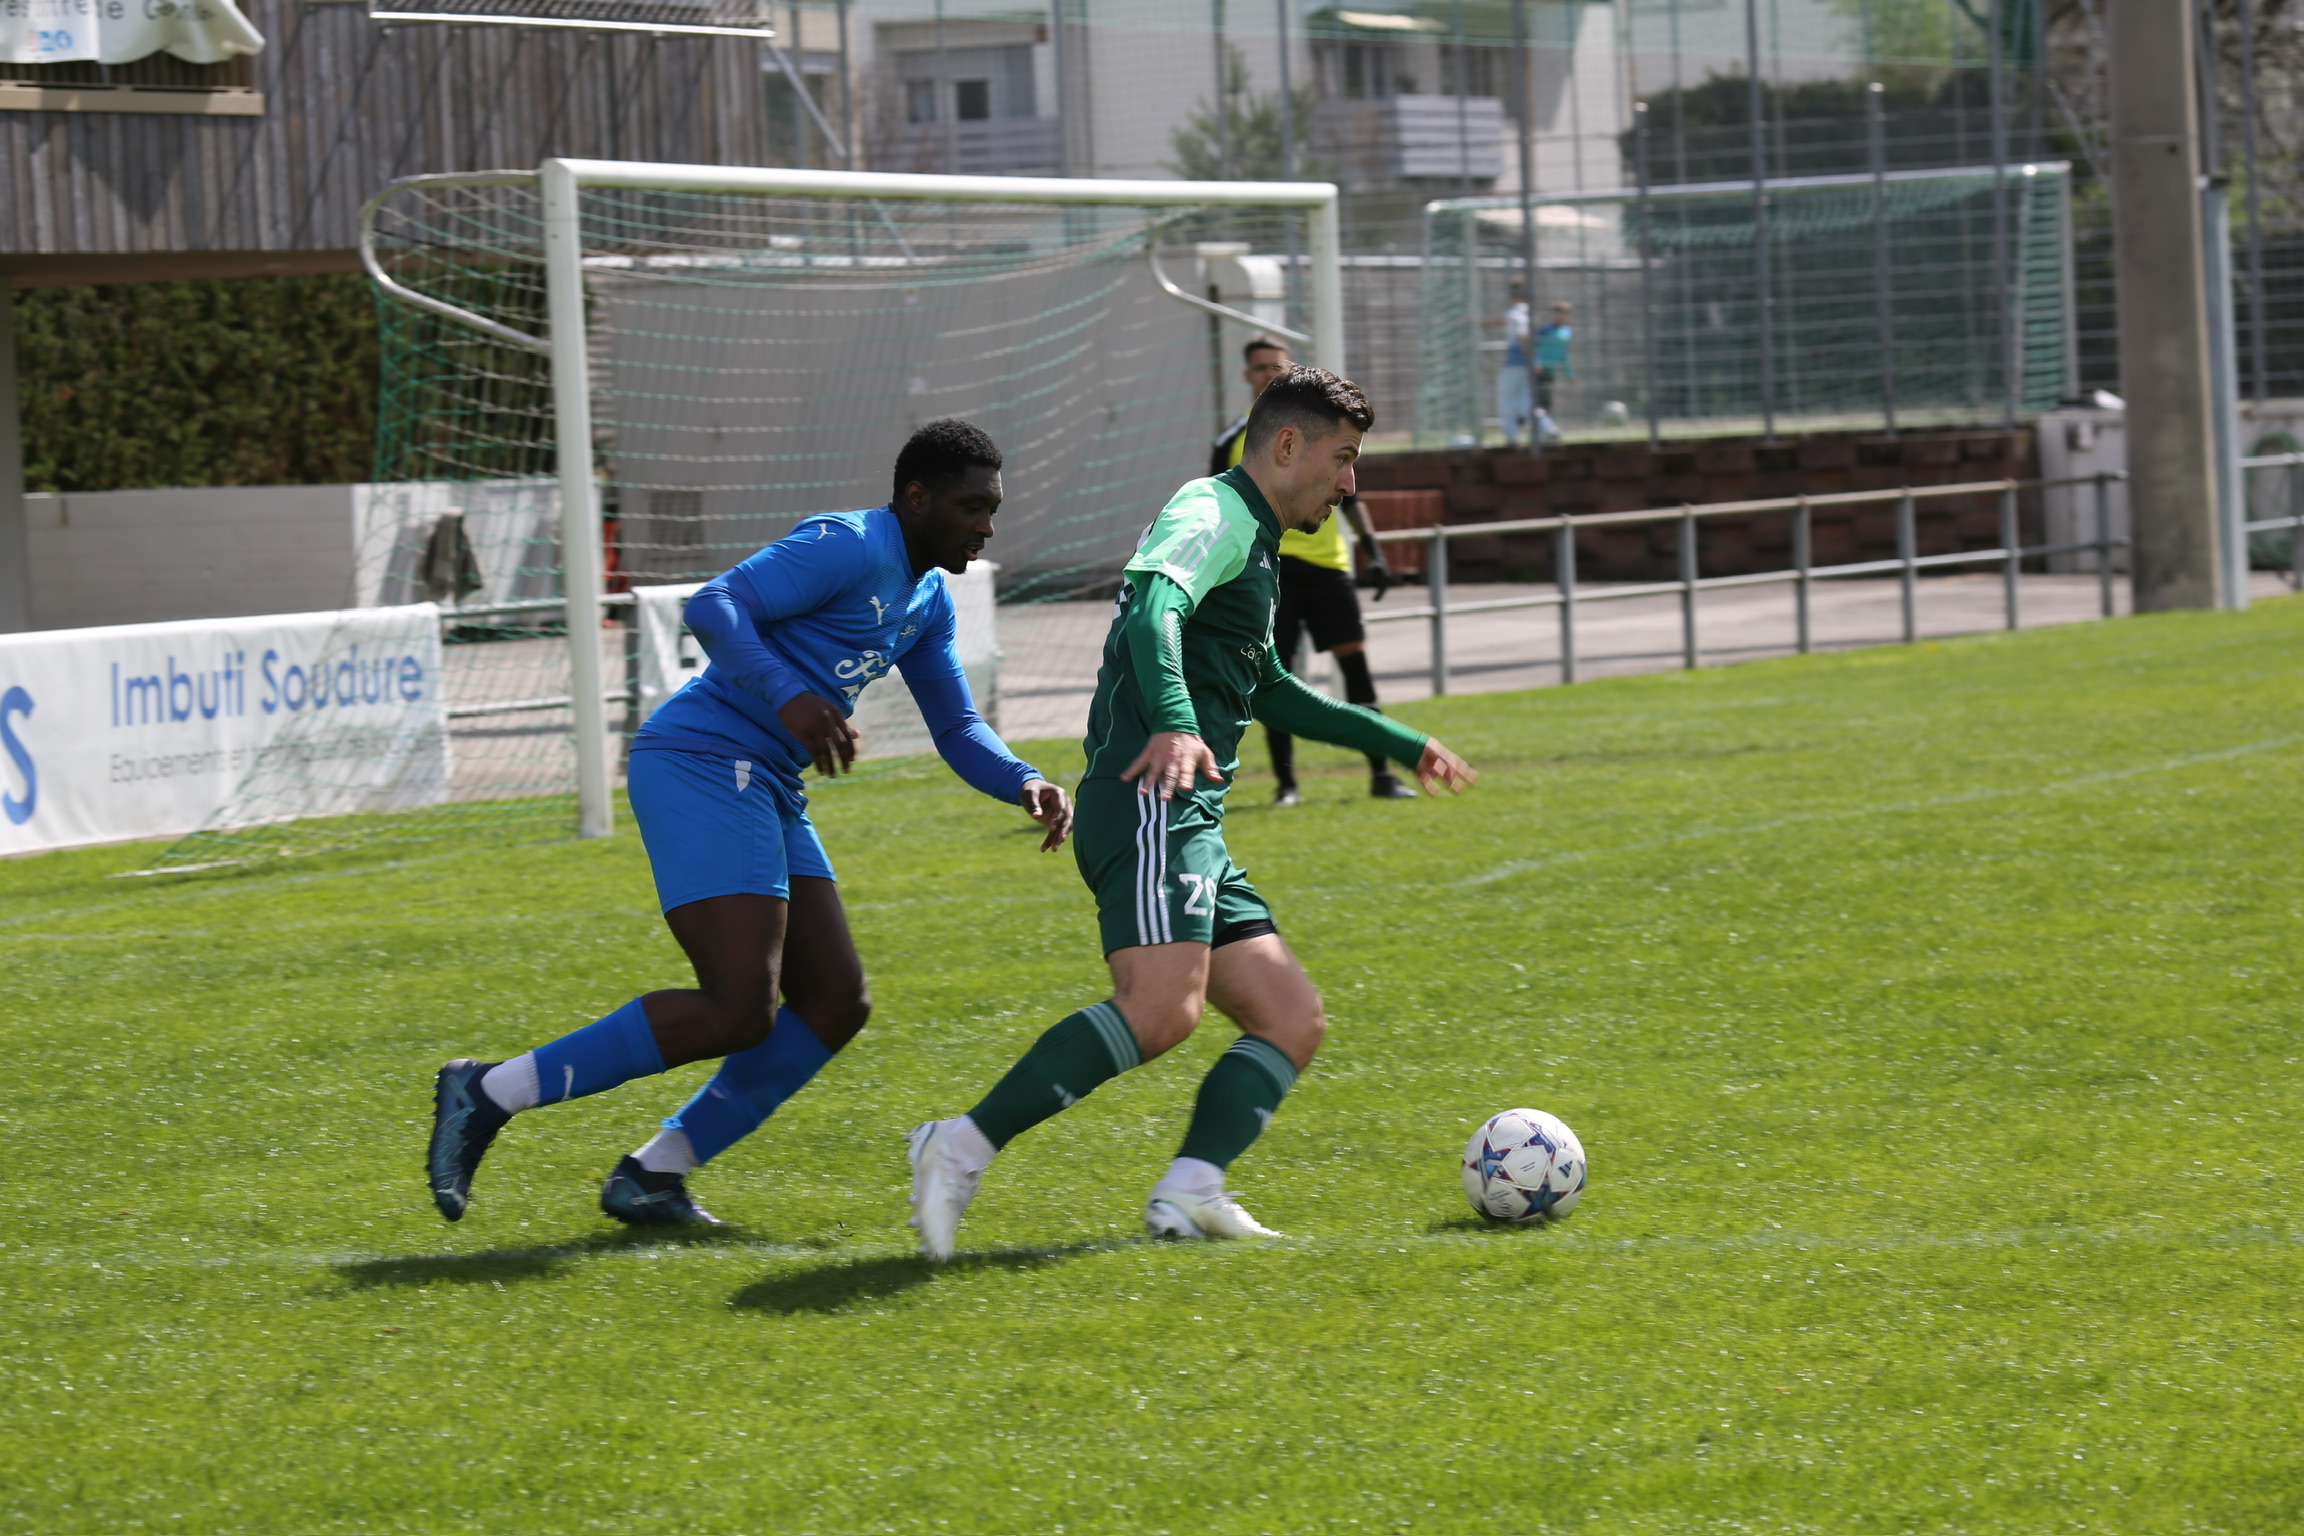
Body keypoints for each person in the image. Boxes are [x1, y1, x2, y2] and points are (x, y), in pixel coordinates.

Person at [425, 420, 1074, 1227]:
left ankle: (655, 1174)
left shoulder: (927, 599)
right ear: (916, 498)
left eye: (992, 510)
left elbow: (956, 725)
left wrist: (1024, 780)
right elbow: (714, 604)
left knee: (835, 1000)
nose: (986, 527)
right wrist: (790, 695)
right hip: (702, 761)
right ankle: (489, 1090)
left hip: (763, 779)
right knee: (739, 1006)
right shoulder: (849, 545)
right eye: (973, 508)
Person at [905, 366, 1478, 1259]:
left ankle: (1192, 1189)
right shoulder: (1212, 512)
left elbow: (1269, 688)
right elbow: (1154, 609)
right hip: (1147, 800)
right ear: (1285, 445)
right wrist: (1174, 721)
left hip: (1190, 820)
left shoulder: (1255, 540)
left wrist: (1399, 741)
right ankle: (959, 1146)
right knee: (1161, 1009)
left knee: (1291, 1017)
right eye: (1343, 457)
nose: (1350, 482)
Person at [1212, 335, 1409, 804]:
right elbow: (1218, 500)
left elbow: (1351, 496)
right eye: (1260, 367)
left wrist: (1373, 552)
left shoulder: (1324, 434)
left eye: (1276, 365)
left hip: (1328, 567)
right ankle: (1287, 785)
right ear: (1246, 375)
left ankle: (1382, 773)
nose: (1268, 373)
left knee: (1355, 667)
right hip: (1273, 568)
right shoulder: (1232, 442)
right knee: (1272, 672)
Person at [1496, 280, 1533, 448]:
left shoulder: (1515, 313)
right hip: (1526, 361)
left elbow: (1523, 336)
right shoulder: (1529, 311)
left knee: (1506, 398)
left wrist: (1530, 358)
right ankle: (1546, 428)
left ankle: (1511, 437)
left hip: (1516, 361)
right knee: (1524, 400)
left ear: (1511, 294)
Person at [1534, 301, 1573, 444]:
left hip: (1550, 371)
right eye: (1557, 313)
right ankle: (1544, 431)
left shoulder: (1567, 331)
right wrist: (1537, 362)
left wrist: (1569, 374)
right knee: (1538, 402)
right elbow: (1534, 346)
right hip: (1539, 370)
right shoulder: (1545, 329)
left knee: (1546, 403)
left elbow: (1564, 354)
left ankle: (1545, 433)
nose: (1560, 316)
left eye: (1564, 313)